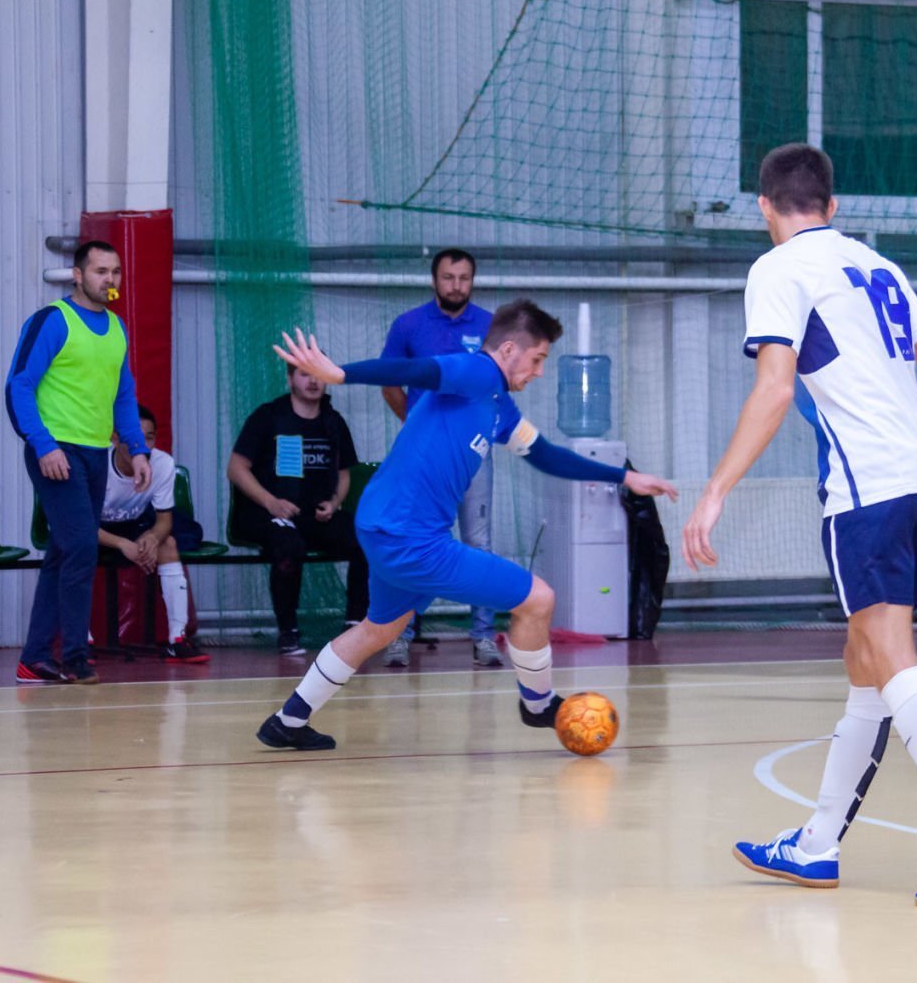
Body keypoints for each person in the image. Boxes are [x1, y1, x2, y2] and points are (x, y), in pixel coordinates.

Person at [682, 143, 917, 909]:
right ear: (833, 205)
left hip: (867, 489)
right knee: (865, 664)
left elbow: (775, 388)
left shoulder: (777, 268)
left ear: (764, 205)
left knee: (891, 658)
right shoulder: (877, 266)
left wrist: (716, 489)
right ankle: (817, 844)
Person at [254, 300, 677, 752]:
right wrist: (341, 374)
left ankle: (288, 720)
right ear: (509, 349)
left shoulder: (499, 407)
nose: (538, 372)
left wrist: (623, 476)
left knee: (379, 630)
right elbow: (418, 370)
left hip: (385, 527)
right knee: (538, 600)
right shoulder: (478, 372)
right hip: (411, 538)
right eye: (537, 359)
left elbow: (544, 455)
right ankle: (537, 705)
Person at [5, 240, 150, 685]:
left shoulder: (118, 328)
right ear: (77, 275)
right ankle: (73, 656)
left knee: (65, 551)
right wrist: (43, 445)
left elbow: (123, 395)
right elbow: (18, 386)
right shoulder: (54, 320)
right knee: (83, 547)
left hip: (95, 453)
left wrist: (137, 449)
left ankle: (34, 659)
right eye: (100, 271)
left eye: (116, 272)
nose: (110, 279)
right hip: (56, 451)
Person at [379, 247, 500, 668]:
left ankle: (484, 637)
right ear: (434, 280)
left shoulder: (491, 326)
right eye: (448, 277)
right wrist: (418, 428)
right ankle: (399, 636)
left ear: (473, 281)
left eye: (464, 278)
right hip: (424, 460)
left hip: (474, 457)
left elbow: (499, 386)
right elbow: (390, 384)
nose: (456, 286)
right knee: (415, 542)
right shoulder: (408, 325)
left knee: (478, 544)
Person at [228, 363, 370, 656]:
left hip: (315, 516)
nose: (313, 381)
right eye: (305, 374)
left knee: (367, 538)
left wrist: (334, 503)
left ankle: (355, 624)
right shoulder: (269, 417)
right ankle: (288, 631)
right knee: (288, 545)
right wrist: (271, 502)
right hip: (269, 514)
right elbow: (236, 468)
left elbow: (344, 473)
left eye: (319, 374)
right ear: (290, 378)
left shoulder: (333, 421)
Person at [99, 405, 210, 663]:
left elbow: (164, 521)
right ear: (115, 438)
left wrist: (152, 537)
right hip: (95, 529)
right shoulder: (97, 464)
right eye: (134, 438)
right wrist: (122, 544)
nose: (142, 446)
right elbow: (80, 526)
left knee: (168, 543)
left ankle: (177, 640)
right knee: (73, 548)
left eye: (149, 438)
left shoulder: (162, 463)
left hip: (135, 522)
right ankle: (80, 644)